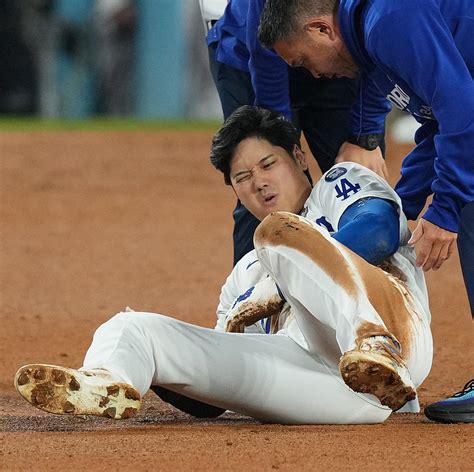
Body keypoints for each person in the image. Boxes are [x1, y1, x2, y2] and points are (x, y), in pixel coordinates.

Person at [15, 106, 432, 424]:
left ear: (299, 158)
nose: (260, 182)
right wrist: (165, 367)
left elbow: (377, 230)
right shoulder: (245, 274)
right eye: (243, 177)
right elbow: (212, 393)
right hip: (321, 388)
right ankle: (106, 379)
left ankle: (374, 345)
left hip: (396, 344)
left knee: (278, 233)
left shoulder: (337, 187)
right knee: (130, 327)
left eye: (269, 165)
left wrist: (282, 282)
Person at [258, 0, 474, 424]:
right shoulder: (376, 33)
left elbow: (463, 113)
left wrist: (446, 209)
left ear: (322, 29)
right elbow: (437, 128)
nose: (314, 74)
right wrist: (402, 207)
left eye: (302, 60)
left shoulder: (389, 21)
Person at [200, 0, 390, 265]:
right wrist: (277, 145)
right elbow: (265, 48)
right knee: (262, 179)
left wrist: (365, 136)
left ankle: (381, 298)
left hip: (336, 50)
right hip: (250, 54)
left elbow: (383, 39)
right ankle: (256, 295)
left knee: (361, 181)